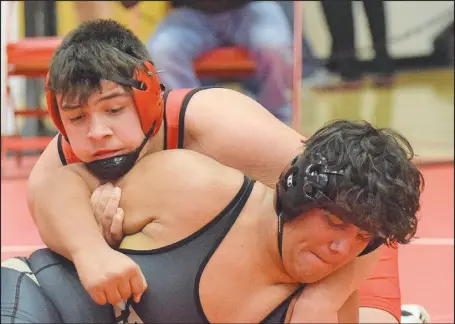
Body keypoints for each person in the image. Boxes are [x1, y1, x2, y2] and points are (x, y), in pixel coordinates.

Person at [26, 19, 405, 322]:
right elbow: (60, 215)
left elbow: (365, 198)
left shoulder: (223, 127)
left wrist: (323, 298)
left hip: (345, 250)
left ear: (150, 99)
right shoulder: (56, 171)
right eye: (76, 117)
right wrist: (93, 247)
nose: (97, 132)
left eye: (113, 110)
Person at [3, 119, 423, 323]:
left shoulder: (327, 298)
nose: (341, 249)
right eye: (333, 221)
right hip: (41, 301)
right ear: (296, 194)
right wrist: (90, 251)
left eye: (361, 237)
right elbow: (63, 183)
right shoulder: (198, 186)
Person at [119, 0, 294, 124]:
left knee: (274, 46)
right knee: (162, 52)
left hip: (252, 7)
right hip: (189, 13)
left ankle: (276, 121)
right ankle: (193, 122)